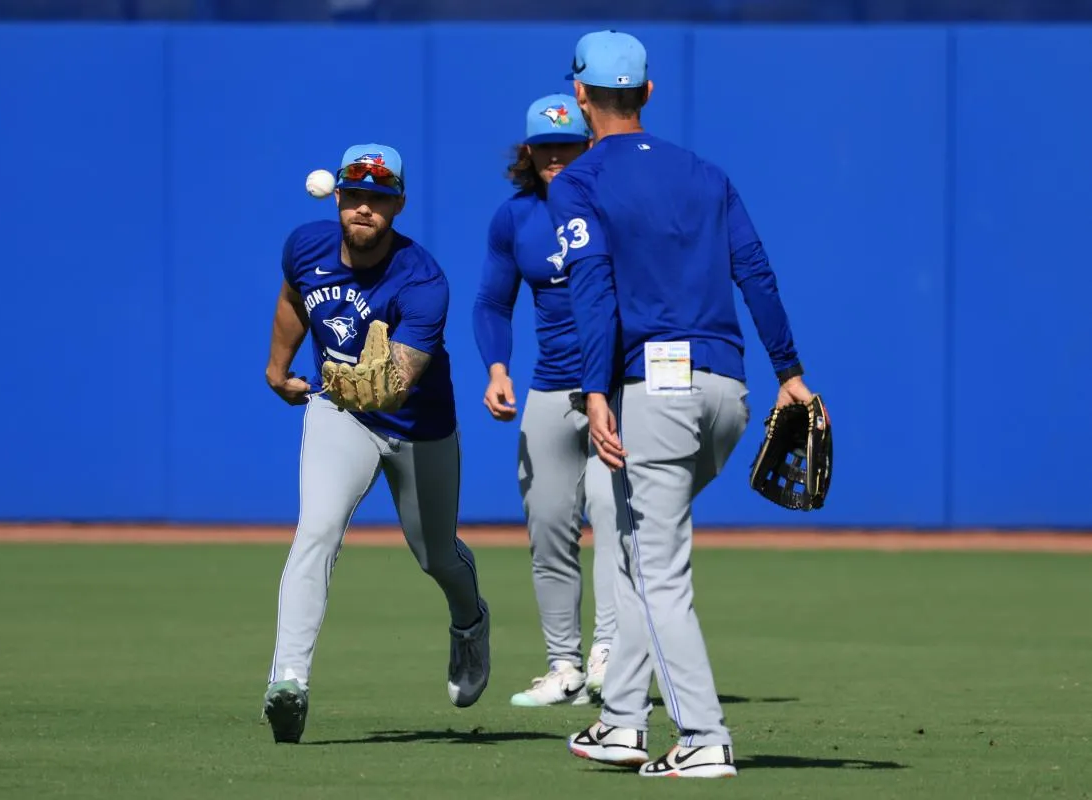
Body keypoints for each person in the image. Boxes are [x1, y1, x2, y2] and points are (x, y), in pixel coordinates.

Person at [548, 31, 823, 778]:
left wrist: (595, 390)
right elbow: (754, 271)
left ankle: (702, 736)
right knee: (641, 549)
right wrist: (789, 372)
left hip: (654, 389)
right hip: (726, 392)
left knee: (657, 567)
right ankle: (622, 722)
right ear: (647, 92)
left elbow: (591, 288)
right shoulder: (705, 172)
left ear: (579, 96)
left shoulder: (575, 181)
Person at [261, 143, 492, 744]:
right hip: (339, 415)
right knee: (316, 532)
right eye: (356, 195)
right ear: (337, 197)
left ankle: (469, 623)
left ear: (399, 205)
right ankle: (288, 680)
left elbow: (398, 384)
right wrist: (278, 366)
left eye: (379, 198)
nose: (365, 207)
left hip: (419, 428)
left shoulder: (423, 280)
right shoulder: (305, 247)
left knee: (435, 555)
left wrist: (370, 380)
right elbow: (294, 298)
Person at [471, 93, 616, 708]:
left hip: (619, 389)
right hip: (551, 389)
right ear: (528, 152)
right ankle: (565, 667)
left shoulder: (617, 206)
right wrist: (497, 368)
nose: (556, 156)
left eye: (568, 144)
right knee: (550, 528)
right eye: (545, 146)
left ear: (589, 145)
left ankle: (610, 653)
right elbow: (492, 303)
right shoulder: (516, 218)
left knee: (616, 521)